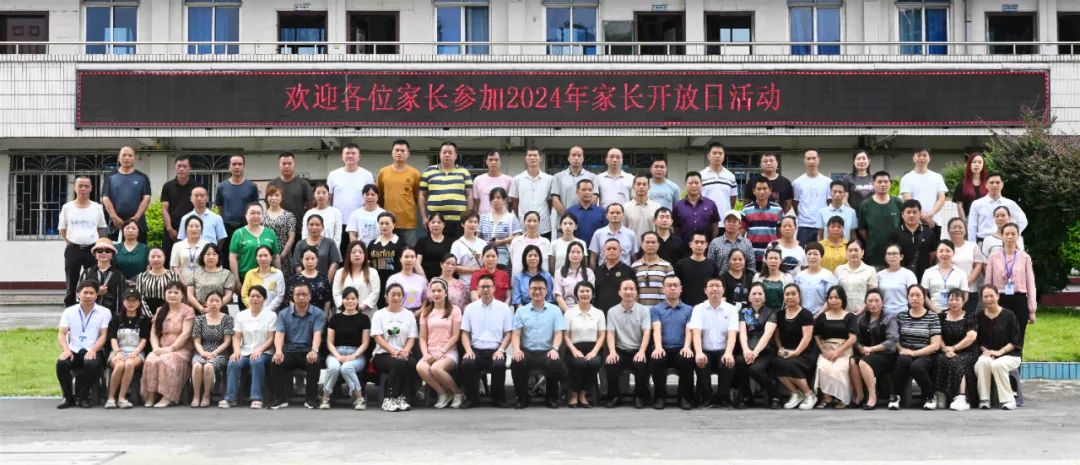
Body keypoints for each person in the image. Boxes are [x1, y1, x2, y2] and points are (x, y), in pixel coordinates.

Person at [510, 275, 568, 409]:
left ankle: (551, 398)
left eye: (540, 288)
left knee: (554, 361)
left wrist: (555, 348)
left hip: (547, 351)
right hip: (527, 351)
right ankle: (522, 398)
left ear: (546, 291)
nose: (537, 291)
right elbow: (516, 334)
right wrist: (517, 350)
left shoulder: (555, 310)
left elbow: (558, 333)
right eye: (534, 288)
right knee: (517, 361)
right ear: (528, 290)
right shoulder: (521, 311)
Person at [459, 274, 514, 409]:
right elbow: (465, 333)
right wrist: (468, 351)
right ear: (477, 289)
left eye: (488, 287)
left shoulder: (504, 308)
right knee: (467, 363)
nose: (485, 290)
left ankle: (498, 398)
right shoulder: (470, 308)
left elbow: (508, 333)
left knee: (499, 365)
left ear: (494, 288)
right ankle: (472, 399)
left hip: (496, 349)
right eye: (482, 287)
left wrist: (501, 350)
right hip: (476, 350)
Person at [55, 281, 112, 409]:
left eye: (92, 293)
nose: (88, 296)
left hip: (94, 350)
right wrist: (66, 350)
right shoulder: (69, 311)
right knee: (61, 364)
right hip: (74, 350)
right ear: (78, 294)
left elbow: (104, 335)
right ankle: (68, 397)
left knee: (91, 364)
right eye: (85, 293)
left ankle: (84, 397)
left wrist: (93, 350)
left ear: (97, 295)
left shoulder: (105, 312)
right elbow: (62, 334)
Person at [269, 282, 325, 410]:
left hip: (307, 351)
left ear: (309, 296)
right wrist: (278, 351)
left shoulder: (318, 313)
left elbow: (317, 334)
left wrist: (314, 350)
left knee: (314, 362)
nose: (301, 297)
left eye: (304, 294)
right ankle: (280, 399)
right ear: (293, 296)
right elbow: (279, 334)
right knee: (276, 362)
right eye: (298, 294)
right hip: (289, 351)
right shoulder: (283, 314)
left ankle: (311, 399)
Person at [221, 285, 277, 409]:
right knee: (233, 362)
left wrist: (259, 350)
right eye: (252, 296)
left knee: (256, 361)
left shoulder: (271, 315)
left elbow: (271, 339)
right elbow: (236, 337)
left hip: (265, 352)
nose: (255, 299)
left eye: (258, 296)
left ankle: (256, 398)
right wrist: (236, 351)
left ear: (264, 299)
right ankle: (230, 398)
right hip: (245, 351)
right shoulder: (241, 315)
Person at [141, 282, 195, 408]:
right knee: (150, 359)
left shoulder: (188, 311)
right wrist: (155, 348)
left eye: (176, 292)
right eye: (169, 292)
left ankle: (168, 396)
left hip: (181, 349)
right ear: (165, 294)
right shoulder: (160, 310)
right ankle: (151, 395)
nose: (172, 295)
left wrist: (171, 348)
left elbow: (186, 334)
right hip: (161, 347)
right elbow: (154, 333)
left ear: (182, 295)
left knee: (165, 360)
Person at [889, 285, 942, 410]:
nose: (915, 298)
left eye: (918, 295)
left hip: (926, 353)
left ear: (924, 298)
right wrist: (901, 349)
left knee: (916, 366)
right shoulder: (901, 316)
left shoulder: (932, 317)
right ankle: (895, 396)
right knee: (902, 360)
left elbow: (935, 345)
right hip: (906, 350)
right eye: (911, 295)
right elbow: (895, 338)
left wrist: (914, 353)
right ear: (907, 298)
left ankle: (930, 396)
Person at [984, 222, 1036, 349]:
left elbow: (1031, 284)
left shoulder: (1025, 257)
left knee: (1018, 336)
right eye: (1006, 234)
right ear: (1002, 236)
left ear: (1018, 236)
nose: (1009, 237)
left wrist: (1032, 310)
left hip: (1019, 299)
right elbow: (988, 283)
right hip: (999, 300)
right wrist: (987, 304)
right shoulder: (993, 257)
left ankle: (1017, 360)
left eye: (1013, 234)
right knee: (999, 336)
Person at [689, 277, 739, 408]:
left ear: (723, 290)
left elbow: (732, 334)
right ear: (705, 290)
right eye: (711, 286)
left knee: (729, 362)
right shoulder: (698, 309)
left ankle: (723, 397)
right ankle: (707, 398)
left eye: (718, 286)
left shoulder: (731, 309)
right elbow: (696, 333)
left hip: (723, 350)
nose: (715, 289)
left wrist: (728, 353)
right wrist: (699, 352)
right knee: (701, 362)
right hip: (705, 350)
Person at [416, 278, 465, 408]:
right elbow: (422, 338)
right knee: (421, 367)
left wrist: (442, 351)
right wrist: (425, 354)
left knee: (436, 368)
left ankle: (458, 393)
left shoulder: (455, 310)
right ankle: (443, 394)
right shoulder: (426, 312)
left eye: (439, 291)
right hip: (431, 351)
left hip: (448, 352)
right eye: (433, 291)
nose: (436, 294)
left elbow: (455, 336)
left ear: (446, 293)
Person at [59, 176, 108, 307]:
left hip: (92, 249)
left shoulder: (97, 207)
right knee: (72, 280)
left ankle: (93, 306)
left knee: (93, 279)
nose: (83, 189)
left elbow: (101, 228)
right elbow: (62, 229)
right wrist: (70, 242)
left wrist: (98, 245)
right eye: (80, 186)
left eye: (86, 186)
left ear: (91, 188)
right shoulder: (67, 207)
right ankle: (70, 307)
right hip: (73, 249)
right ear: (75, 188)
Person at [648, 275, 695, 410]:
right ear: (663, 289)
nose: (672, 288)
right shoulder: (655, 310)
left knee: (687, 358)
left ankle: (684, 397)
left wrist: (687, 346)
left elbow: (689, 330)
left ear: (681, 289)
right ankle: (660, 397)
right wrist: (658, 347)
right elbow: (656, 329)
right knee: (656, 359)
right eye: (669, 285)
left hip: (681, 348)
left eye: (675, 285)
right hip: (663, 347)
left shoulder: (689, 309)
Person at [321, 287, 372, 410]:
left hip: (356, 354)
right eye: (347, 298)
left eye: (353, 298)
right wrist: (338, 356)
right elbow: (329, 342)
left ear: (357, 300)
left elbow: (365, 343)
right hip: (335, 353)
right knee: (334, 367)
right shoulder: (335, 318)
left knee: (346, 368)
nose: (350, 301)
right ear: (342, 300)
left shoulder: (364, 319)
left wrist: (353, 356)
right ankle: (326, 397)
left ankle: (359, 399)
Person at [604, 279, 652, 408]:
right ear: (619, 292)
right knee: (611, 362)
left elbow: (647, 332)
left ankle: (639, 396)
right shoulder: (612, 311)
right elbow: (610, 333)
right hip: (620, 349)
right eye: (625, 289)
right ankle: (614, 396)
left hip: (638, 349)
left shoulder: (644, 310)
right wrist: (612, 352)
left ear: (636, 292)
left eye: (632, 289)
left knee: (641, 363)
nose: (628, 292)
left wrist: (642, 351)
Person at [371, 284, 419, 412]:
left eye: (399, 295)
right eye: (393, 294)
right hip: (383, 354)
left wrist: (406, 351)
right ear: (386, 296)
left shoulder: (409, 315)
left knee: (411, 363)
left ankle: (403, 397)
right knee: (397, 364)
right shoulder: (379, 314)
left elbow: (412, 338)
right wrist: (392, 351)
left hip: (403, 352)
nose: (396, 297)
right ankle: (389, 398)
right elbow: (378, 337)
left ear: (403, 297)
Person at [974, 286, 1023, 410]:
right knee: (983, 362)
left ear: (998, 296)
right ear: (982, 299)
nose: (988, 299)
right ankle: (984, 399)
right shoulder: (979, 317)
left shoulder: (1009, 315)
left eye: (991, 296)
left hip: (1010, 355)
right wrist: (985, 351)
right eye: (985, 297)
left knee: (998, 364)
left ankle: (1008, 400)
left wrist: (1000, 352)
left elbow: (1016, 340)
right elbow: (976, 340)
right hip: (987, 354)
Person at [812, 286, 858, 408]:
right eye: (830, 298)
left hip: (844, 350)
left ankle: (841, 398)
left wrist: (838, 352)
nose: (833, 300)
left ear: (842, 299)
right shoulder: (822, 316)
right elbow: (816, 335)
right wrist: (822, 349)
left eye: (837, 297)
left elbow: (853, 338)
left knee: (839, 369)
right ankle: (826, 398)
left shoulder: (850, 316)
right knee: (823, 367)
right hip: (827, 350)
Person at [773, 284, 818, 410]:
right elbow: (776, 335)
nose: (790, 297)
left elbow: (807, 337)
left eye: (793, 294)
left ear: (799, 296)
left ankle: (809, 394)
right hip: (787, 349)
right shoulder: (780, 315)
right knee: (776, 362)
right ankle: (796, 393)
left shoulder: (806, 314)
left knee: (790, 363)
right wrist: (780, 348)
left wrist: (796, 352)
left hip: (805, 351)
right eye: (787, 294)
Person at [735, 283, 779, 409]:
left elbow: (767, 335)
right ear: (749, 297)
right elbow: (743, 333)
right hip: (748, 350)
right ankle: (746, 396)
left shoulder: (770, 312)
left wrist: (755, 352)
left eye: (760, 294)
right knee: (740, 361)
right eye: (754, 293)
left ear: (764, 297)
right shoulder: (745, 312)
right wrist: (746, 350)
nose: (757, 296)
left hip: (765, 351)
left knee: (755, 369)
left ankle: (774, 396)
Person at [852, 289, 898, 410]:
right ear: (865, 304)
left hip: (885, 355)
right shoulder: (861, 319)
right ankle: (860, 395)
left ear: (882, 303)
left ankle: (872, 397)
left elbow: (892, 340)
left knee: (863, 362)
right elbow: (855, 338)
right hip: (866, 352)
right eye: (870, 301)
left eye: (877, 301)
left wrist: (872, 349)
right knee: (852, 361)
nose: (873, 304)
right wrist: (861, 348)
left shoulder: (889, 318)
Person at [104, 288, 149, 409]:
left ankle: (122, 398)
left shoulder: (144, 320)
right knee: (119, 365)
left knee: (129, 364)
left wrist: (136, 351)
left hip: (136, 351)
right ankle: (111, 398)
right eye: (128, 300)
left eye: (134, 300)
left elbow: (144, 339)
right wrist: (117, 352)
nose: (131, 303)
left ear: (139, 302)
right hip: (118, 350)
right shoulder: (116, 319)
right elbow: (113, 338)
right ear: (123, 301)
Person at [327, 143, 374, 255]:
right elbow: (329, 199)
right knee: (340, 254)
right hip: (339, 223)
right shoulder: (333, 175)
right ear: (342, 156)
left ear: (359, 156)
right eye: (347, 153)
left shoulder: (367, 175)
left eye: (353, 153)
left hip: (360, 222)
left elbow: (371, 197)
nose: (350, 155)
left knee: (360, 254)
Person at [420, 141, 474, 240]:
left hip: (458, 221)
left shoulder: (464, 172)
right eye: (444, 152)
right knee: (435, 247)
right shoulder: (429, 172)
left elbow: (469, 194)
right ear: (440, 154)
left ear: (455, 156)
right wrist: (424, 218)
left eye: (450, 152)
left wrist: (469, 217)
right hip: (435, 222)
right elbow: (422, 195)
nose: (447, 155)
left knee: (457, 247)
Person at [564, 281, 606, 408]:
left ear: (592, 294)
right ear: (576, 294)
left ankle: (583, 394)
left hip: (594, 348)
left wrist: (594, 351)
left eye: (588, 291)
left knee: (594, 362)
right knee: (579, 363)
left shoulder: (599, 313)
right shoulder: (569, 313)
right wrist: (574, 350)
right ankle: (574, 394)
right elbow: (566, 336)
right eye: (581, 291)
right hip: (574, 348)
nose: (585, 294)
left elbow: (602, 335)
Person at [935, 289, 978, 411]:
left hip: (967, 352)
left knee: (957, 361)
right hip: (945, 350)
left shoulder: (970, 316)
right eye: (951, 299)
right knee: (940, 359)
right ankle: (941, 395)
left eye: (957, 299)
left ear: (963, 301)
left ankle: (962, 397)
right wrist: (945, 349)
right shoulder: (941, 316)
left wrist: (954, 348)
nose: (954, 302)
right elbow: (938, 336)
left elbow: (971, 337)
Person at [189, 292, 235, 408]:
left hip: (220, 352)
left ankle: (206, 395)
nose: (214, 303)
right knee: (197, 365)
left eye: (217, 301)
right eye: (211, 301)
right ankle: (196, 396)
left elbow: (227, 341)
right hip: (202, 351)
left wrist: (215, 353)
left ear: (221, 303)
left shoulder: (228, 319)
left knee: (209, 366)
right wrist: (202, 352)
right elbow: (197, 341)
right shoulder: (199, 319)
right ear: (206, 303)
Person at [215, 154, 260, 264]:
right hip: (227, 229)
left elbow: (255, 208)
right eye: (234, 164)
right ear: (229, 167)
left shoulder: (252, 187)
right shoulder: (222, 186)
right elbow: (220, 207)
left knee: (245, 257)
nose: (237, 167)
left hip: (246, 227)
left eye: (240, 164)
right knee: (227, 257)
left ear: (243, 166)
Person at [101, 146, 151, 242]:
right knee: (115, 251)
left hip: (138, 224)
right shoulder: (110, 177)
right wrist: (115, 217)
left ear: (134, 158)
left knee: (139, 251)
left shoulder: (142, 177)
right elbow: (105, 198)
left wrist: (136, 218)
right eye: (124, 155)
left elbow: (146, 198)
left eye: (130, 155)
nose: (127, 158)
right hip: (115, 225)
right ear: (119, 158)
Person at [159, 156, 200, 267]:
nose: (181, 169)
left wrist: (192, 229)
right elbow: (164, 209)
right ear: (175, 168)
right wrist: (169, 229)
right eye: (179, 166)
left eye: (184, 166)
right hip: (172, 229)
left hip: (191, 229)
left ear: (190, 168)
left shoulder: (196, 186)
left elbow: (199, 208)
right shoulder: (167, 186)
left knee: (190, 260)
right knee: (168, 260)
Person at [858, 171, 904, 267]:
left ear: (890, 184)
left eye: (886, 181)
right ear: (873, 184)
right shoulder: (865, 205)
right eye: (879, 182)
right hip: (873, 254)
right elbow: (862, 229)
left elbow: (903, 225)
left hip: (894, 253)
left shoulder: (898, 203)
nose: (883, 184)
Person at [229, 203, 280, 289]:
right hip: (245, 278)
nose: (256, 216)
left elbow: (275, 257)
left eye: (258, 213)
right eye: (252, 213)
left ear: (263, 215)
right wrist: (236, 280)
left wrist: (278, 276)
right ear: (246, 215)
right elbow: (233, 258)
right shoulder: (238, 233)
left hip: (268, 277)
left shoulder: (270, 233)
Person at [968, 174, 1029, 244]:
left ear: (1002, 185)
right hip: (983, 242)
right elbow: (972, 227)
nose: (994, 185)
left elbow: (1022, 221)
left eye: (997, 182)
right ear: (986, 185)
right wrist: (972, 246)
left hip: (1004, 242)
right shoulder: (977, 204)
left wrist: (1013, 234)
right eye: (991, 182)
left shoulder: (1010, 204)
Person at [888, 199, 941, 280]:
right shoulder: (895, 234)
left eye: (915, 212)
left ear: (920, 214)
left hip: (924, 275)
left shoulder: (929, 233)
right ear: (902, 215)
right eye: (908, 212)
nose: (911, 215)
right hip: (901, 276)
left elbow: (932, 254)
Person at [509, 147, 554, 238]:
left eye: (535, 155)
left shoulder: (549, 179)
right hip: (523, 225)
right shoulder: (517, 179)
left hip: (544, 225)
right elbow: (514, 202)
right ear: (525, 158)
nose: (532, 158)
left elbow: (551, 202)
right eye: (529, 155)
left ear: (540, 158)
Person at [267, 152, 314, 238]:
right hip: (276, 231)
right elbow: (268, 206)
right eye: (284, 163)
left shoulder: (303, 184)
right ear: (279, 166)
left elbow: (310, 205)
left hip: (299, 230)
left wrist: (305, 220)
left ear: (294, 165)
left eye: (289, 163)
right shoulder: (272, 184)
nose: (286, 166)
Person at [367, 212, 409, 309]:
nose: (384, 226)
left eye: (387, 223)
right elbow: (368, 264)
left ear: (393, 225)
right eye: (381, 223)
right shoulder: (372, 244)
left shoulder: (401, 243)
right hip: (376, 283)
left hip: (395, 283)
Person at [742, 178, 784, 270]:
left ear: (770, 191)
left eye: (765, 188)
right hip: (752, 255)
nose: (762, 192)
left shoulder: (778, 209)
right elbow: (742, 232)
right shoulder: (746, 209)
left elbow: (780, 234)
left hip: (771, 256)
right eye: (759, 189)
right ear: (754, 191)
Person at [792, 149, 832, 246]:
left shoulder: (827, 182)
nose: (811, 161)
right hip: (804, 226)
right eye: (808, 159)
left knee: (823, 252)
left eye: (814, 158)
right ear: (804, 161)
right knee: (804, 253)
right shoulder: (797, 182)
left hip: (822, 225)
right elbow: (795, 203)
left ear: (819, 160)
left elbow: (829, 203)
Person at [900, 148, 948, 227]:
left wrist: (930, 215)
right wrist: (923, 217)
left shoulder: (937, 177)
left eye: (924, 155)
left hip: (934, 221)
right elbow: (908, 200)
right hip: (914, 223)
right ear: (913, 158)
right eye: (918, 155)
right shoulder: (906, 178)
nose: (922, 158)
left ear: (929, 158)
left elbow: (941, 198)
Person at [946, 218, 985, 312]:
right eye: (954, 227)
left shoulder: (972, 246)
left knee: (967, 318)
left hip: (970, 289)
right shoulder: (944, 246)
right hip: (948, 291)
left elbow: (978, 265)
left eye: (960, 227)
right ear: (948, 230)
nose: (957, 229)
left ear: (965, 230)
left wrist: (966, 282)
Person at [333, 241, 381, 317]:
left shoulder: (372, 272)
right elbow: (336, 293)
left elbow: (375, 292)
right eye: (354, 252)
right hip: (344, 314)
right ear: (349, 255)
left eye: (360, 252)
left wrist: (361, 307)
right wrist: (346, 307)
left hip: (366, 314)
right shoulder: (340, 272)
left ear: (365, 255)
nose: (357, 254)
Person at [79, 238, 125, 316]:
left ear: (112, 255)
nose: (104, 253)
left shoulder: (118, 274)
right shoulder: (87, 273)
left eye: (108, 251)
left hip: (110, 314)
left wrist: (118, 317)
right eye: (100, 251)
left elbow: (121, 298)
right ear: (95, 254)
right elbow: (79, 294)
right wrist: (97, 292)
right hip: (89, 313)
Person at [550, 146, 599, 220]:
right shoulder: (558, 177)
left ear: (583, 158)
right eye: (573, 155)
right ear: (568, 158)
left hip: (585, 220)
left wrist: (582, 216)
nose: (576, 158)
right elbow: (555, 200)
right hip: (564, 223)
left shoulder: (592, 177)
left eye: (579, 155)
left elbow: (594, 199)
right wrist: (568, 218)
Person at [185, 244, 236, 314]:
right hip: (199, 310)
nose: (211, 257)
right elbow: (190, 296)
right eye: (208, 254)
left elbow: (228, 296)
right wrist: (202, 309)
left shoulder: (227, 274)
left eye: (214, 254)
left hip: (220, 310)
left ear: (219, 257)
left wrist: (215, 306)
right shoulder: (195, 273)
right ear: (203, 257)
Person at [672, 171, 720, 245]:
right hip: (684, 247)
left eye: (697, 183)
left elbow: (715, 227)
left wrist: (711, 244)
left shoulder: (711, 204)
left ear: (701, 185)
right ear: (685, 185)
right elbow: (676, 228)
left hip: (705, 247)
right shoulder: (678, 206)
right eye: (690, 183)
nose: (694, 186)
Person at [921, 240, 970, 312]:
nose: (944, 254)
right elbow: (923, 294)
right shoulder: (928, 272)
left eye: (948, 251)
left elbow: (965, 296)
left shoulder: (961, 273)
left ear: (953, 253)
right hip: (934, 311)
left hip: (955, 312)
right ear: (936, 253)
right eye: (941, 251)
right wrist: (934, 309)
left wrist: (954, 309)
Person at [479, 187, 522, 267]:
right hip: (486, 255)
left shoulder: (511, 218)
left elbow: (518, 236)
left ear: (504, 200)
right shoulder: (484, 217)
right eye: (492, 198)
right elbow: (478, 237)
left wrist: (501, 241)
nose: (495, 200)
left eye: (498, 197)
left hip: (504, 255)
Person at [262, 185, 297, 278]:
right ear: (267, 197)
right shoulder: (261, 215)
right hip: (265, 255)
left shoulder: (289, 216)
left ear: (282, 197)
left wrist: (281, 256)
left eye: (277, 195)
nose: (273, 198)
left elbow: (291, 238)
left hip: (284, 255)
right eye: (270, 195)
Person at [631, 232, 675, 308]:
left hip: (661, 310)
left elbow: (671, 289)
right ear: (642, 245)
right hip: (641, 310)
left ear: (658, 245)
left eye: (653, 242)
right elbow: (633, 290)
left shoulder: (667, 266)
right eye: (647, 242)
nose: (650, 245)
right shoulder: (634, 266)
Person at [135, 248, 182, 318]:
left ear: (164, 258)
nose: (156, 259)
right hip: (147, 314)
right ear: (148, 258)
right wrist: (149, 316)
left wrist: (163, 314)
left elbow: (175, 296)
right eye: (152, 256)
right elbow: (139, 297)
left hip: (168, 313)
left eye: (159, 256)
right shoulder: (142, 276)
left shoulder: (173, 275)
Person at [293, 214, 341, 280]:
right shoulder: (300, 244)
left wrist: (327, 282)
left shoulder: (330, 243)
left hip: (325, 281)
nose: (314, 227)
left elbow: (334, 263)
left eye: (317, 225)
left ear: (323, 227)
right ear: (307, 227)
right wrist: (304, 281)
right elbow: (297, 264)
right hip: (304, 282)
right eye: (311, 224)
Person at [835, 240, 877, 314]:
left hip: (863, 314)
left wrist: (861, 310)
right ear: (846, 252)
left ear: (862, 252)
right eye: (850, 250)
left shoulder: (870, 270)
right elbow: (835, 293)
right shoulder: (839, 270)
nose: (853, 253)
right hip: (842, 313)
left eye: (856, 250)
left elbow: (872, 294)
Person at [794, 242, 837, 315]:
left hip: (823, 316)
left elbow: (831, 298)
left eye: (815, 254)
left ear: (821, 256)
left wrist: (818, 315)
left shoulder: (828, 275)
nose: (812, 257)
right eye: (809, 254)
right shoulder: (799, 276)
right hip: (802, 316)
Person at [707, 210, 755, 275]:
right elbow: (710, 266)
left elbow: (751, 267)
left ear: (740, 224)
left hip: (742, 280)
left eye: (734, 222)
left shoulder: (747, 243)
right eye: (728, 221)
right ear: (724, 223)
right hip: (720, 280)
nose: (731, 224)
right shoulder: (715, 243)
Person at [593, 239, 635, 313]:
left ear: (620, 251)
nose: (611, 251)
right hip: (600, 313)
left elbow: (634, 293)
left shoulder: (628, 271)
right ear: (604, 251)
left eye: (614, 249)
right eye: (608, 249)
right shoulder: (597, 271)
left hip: (621, 313)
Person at [677, 233, 718, 307]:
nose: (699, 245)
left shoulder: (712, 264)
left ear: (706, 245)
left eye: (702, 242)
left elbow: (715, 286)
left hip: (706, 306)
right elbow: (678, 286)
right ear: (690, 244)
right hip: (685, 306)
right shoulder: (681, 264)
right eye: (696, 242)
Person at [240, 246, 286, 313]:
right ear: (256, 258)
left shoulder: (278, 274)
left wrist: (266, 311)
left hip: (272, 313)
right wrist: (253, 308)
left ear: (271, 257)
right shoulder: (250, 274)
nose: (263, 258)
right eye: (260, 256)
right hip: (252, 312)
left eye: (266, 255)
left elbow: (280, 295)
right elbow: (244, 294)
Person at [877, 244, 918, 316]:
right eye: (889, 254)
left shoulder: (908, 274)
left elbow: (914, 295)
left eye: (894, 253)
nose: (891, 256)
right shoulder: (879, 275)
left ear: (901, 257)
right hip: (883, 314)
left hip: (903, 314)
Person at [553, 242, 595, 312]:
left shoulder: (589, 272)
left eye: (578, 252)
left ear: (583, 255)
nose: (575, 255)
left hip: (585, 309)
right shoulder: (559, 272)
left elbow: (590, 294)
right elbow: (558, 295)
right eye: (572, 252)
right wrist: (568, 312)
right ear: (567, 254)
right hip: (565, 309)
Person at [291, 247, 334, 314]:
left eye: (312, 258)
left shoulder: (323, 277)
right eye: (307, 259)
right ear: (302, 260)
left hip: (319, 316)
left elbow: (328, 300)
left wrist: (325, 316)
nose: (310, 261)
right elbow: (291, 300)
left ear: (317, 259)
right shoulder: (295, 279)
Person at [509, 211, 553, 276]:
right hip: (520, 279)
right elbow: (512, 259)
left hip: (541, 279)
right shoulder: (516, 242)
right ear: (524, 222)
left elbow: (549, 263)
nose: (532, 224)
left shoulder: (546, 242)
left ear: (539, 223)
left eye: (535, 221)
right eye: (529, 221)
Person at [302, 184, 343, 252]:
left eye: (324, 193)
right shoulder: (309, 213)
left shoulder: (336, 212)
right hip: (311, 252)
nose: (321, 195)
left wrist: (332, 251)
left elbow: (337, 236)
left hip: (331, 251)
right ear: (314, 195)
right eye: (318, 193)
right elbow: (305, 235)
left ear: (328, 195)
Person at [385, 247, 428, 313]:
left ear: (416, 259)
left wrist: (420, 311)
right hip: (398, 313)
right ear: (400, 259)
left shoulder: (422, 279)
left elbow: (426, 299)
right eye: (406, 257)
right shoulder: (393, 279)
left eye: (412, 257)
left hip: (418, 313)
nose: (409, 260)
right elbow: (388, 298)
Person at [699, 142, 737, 214]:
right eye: (714, 153)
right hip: (706, 217)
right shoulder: (700, 175)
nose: (717, 156)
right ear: (708, 156)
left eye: (720, 153)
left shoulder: (731, 176)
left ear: (724, 156)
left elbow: (733, 199)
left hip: (725, 218)